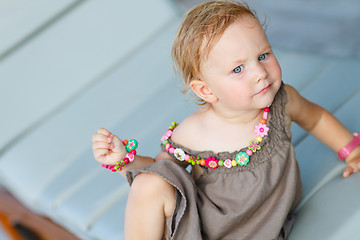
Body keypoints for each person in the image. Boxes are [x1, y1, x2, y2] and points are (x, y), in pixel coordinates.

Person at [92, 1, 360, 239]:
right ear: (206, 91)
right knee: (148, 185)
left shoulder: (282, 101)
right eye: (238, 69)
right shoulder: (193, 132)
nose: (259, 73)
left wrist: (351, 149)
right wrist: (126, 160)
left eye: (263, 55)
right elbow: (161, 175)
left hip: (260, 225)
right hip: (201, 228)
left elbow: (315, 119)